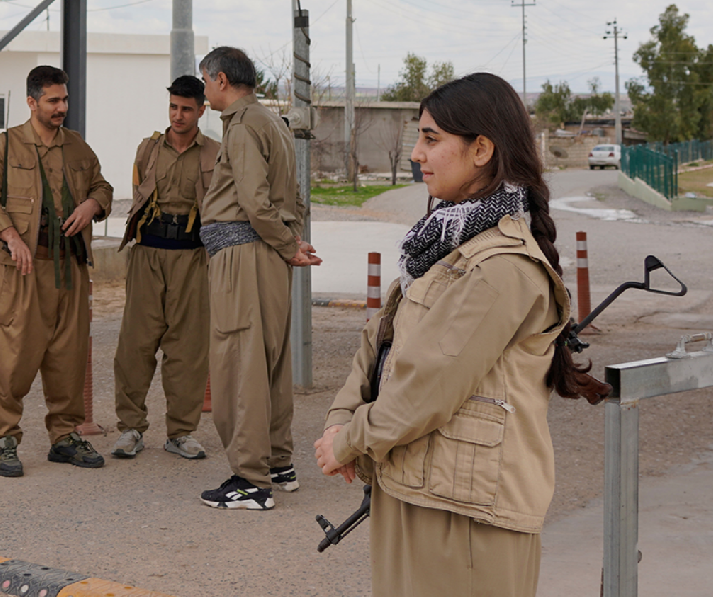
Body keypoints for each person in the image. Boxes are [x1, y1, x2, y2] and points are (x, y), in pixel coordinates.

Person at [313, 73, 610, 596]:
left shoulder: (502, 266)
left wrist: (351, 440)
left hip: (468, 512)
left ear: (481, 149)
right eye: (419, 138)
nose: (417, 154)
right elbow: (380, 342)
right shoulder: (440, 243)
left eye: (431, 139)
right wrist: (340, 425)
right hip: (415, 485)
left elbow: (428, 384)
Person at [0, 65, 114, 477]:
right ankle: (3, 440)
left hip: (69, 267)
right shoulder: (5, 146)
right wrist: (12, 238)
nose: (61, 108)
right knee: (10, 354)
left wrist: (92, 206)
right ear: (32, 102)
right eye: (53, 100)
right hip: (21, 269)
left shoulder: (76, 147)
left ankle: (65, 436)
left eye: (64, 99)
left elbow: (102, 187)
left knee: (68, 356)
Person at [197, 47, 321, 511]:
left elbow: (252, 199)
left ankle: (250, 480)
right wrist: (290, 240)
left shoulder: (244, 125)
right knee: (268, 361)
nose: (204, 90)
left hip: (245, 255)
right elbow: (294, 196)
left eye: (205, 81)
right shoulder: (274, 124)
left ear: (222, 80)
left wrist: (287, 244)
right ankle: (277, 463)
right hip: (267, 253)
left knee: (239, 363)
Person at [110, 75, 220, 461]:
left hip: (192, 257)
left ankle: (181, 431)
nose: (178, 115)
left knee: (187, 348)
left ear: (201, 110)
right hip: (148, 253)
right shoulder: (149, 148)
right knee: (135, 345)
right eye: (173, 107)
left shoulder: (215, 154)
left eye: (187, 108)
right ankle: (130, 428)